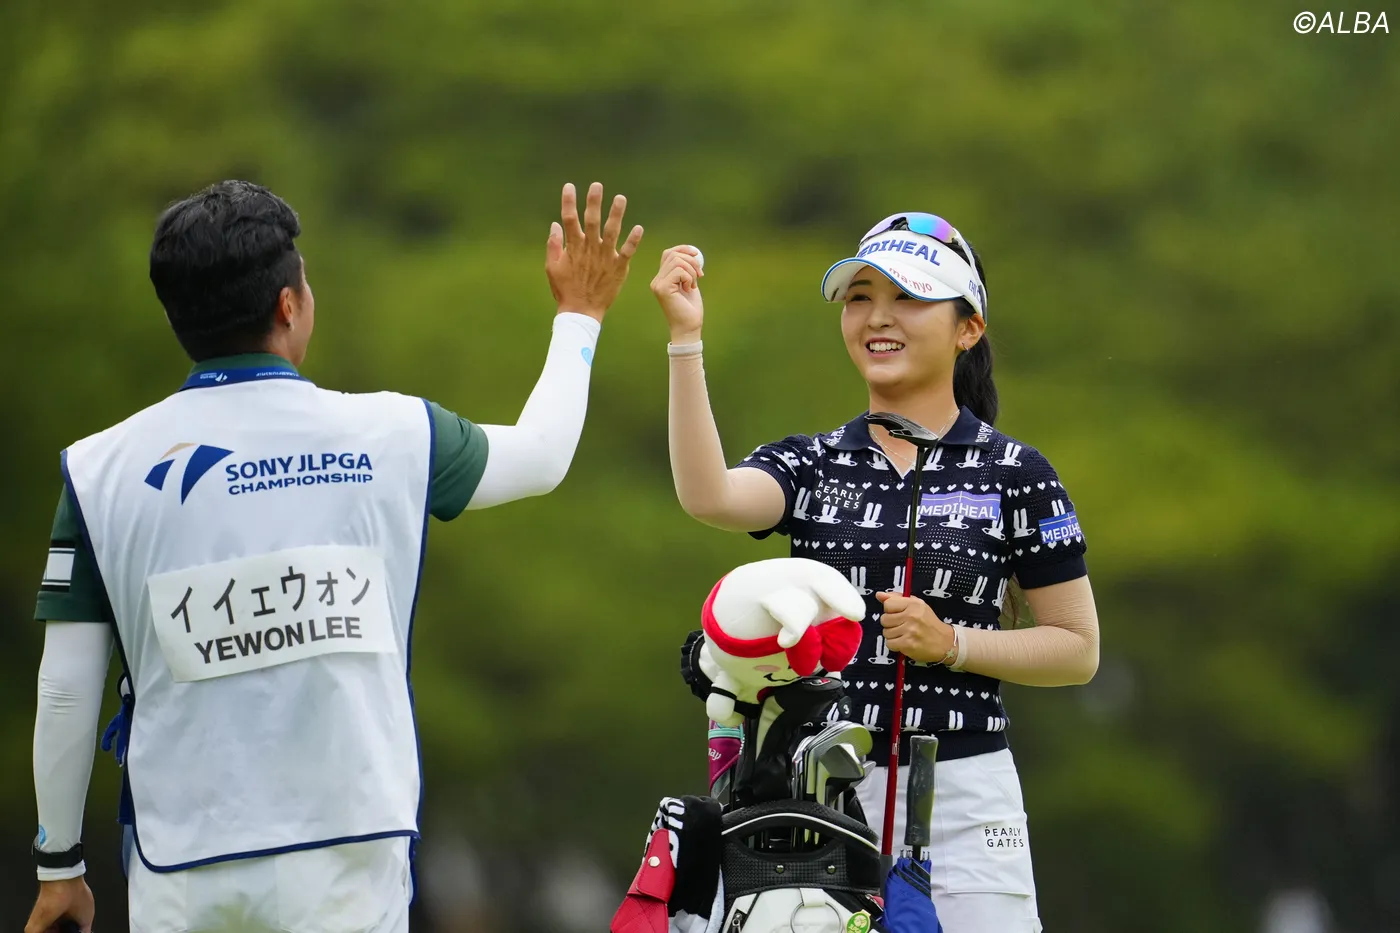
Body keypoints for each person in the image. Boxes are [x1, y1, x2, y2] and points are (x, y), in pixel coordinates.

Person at [27, 179, 643, 933]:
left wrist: (59, 866)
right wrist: (580, 314)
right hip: (350, 848)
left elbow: (66, 688)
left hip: (181, 858)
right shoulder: (395, 434)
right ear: (289, 304)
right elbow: (542, 455)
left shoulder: (98, 470)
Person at [652, 213, 1100, 933]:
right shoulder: (813, 462)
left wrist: (951, 643)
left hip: (966, 798)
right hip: (822, 790)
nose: (878, 317)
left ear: (968, 328)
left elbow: (1076, 649)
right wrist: (685, 339)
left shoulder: (1017, 473)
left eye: (909, 298)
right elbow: (710, 496)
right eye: (860, 297)